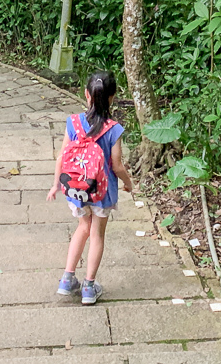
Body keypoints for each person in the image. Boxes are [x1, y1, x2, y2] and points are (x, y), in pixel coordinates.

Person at [47, 70, 134, 305]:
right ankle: (88, 286)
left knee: (82, 228)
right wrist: (128, 183)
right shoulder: (113, 129)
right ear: (112, 97)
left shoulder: (74, 122)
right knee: (97, 234)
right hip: (102, 194)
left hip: (77, 190)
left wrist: (56, 185)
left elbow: (62, 157)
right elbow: (116, 165)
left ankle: (67, 279)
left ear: (87, 94)